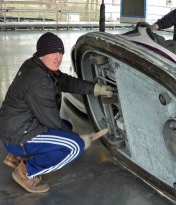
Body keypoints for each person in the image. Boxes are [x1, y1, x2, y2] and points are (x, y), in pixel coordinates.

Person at [0, 32, 114, 193]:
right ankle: (26, 171)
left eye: (61, 52)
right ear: (41, 53)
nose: (58, 57)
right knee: (73, 146)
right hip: (18, 136)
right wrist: (79, 140)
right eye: (53, 52)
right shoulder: (38, 83)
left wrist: (95, 88)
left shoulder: (36, 65)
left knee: (66, 125)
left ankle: (18, 156)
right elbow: (51, 122)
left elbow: (65, 81)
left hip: (15, 127)